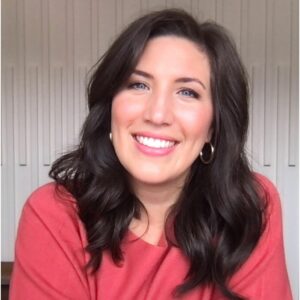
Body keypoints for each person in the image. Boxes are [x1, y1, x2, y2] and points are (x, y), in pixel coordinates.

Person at [10, 9, 292, 300]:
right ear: (110, 109)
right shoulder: (55, 214)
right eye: (138, 85)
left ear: (212, 127)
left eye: (187, 92)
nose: (157, 114)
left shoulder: (246, 206)